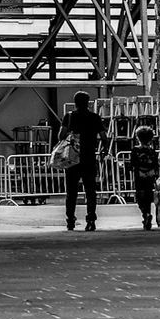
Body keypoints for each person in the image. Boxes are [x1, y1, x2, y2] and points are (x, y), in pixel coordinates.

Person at [60, 90, 108, 231]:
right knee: (90, 191)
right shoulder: (94, 117)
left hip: (72, 158)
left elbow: (61, 135)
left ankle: (70, 220)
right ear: (88, 103)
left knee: (71, 192)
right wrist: (104, 148)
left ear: (75, 102)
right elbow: (104, 137)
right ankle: (91, 219)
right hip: (89, 158)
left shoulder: (69, 117)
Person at [129, 124, 160, 230]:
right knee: (148, 195)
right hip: (150, 175)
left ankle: (145, 214)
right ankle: (148, 213)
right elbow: (156, 164)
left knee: (140, 197)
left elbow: (132, 163)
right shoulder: (152, 151)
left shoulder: (135, 150)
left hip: (139, 175)